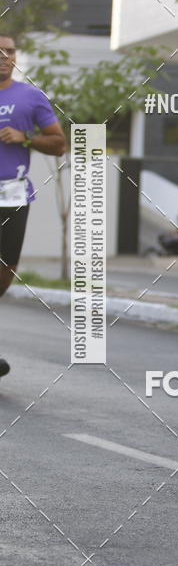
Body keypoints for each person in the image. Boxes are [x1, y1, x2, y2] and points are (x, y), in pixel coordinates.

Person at [0, 34, 66, 378]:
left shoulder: (30, 96)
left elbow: (58, 144)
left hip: (12, 196)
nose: (4, 56)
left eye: (9, 50)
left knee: (6, 271)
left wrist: (24, 137)